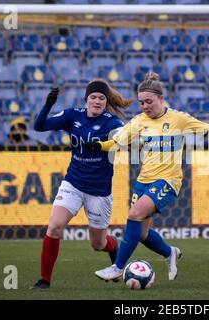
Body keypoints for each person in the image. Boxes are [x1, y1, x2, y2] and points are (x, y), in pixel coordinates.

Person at [89, 72, 209, 282]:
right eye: (141, 103)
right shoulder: (138, 122)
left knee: (134, 214)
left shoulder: (178, 119)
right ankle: (169, 253)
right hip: (143, 181)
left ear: (161, 99)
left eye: (149, 101)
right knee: (142, 233)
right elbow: (117, 142)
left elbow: (208, 131)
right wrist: (100, 145)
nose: (145, 106)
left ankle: (118, 267)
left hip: (168, 181)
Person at [30, 79, 132, 289]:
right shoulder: (72, 115)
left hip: (99, 190)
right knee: (54, 226)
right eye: (93, 97)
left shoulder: (112, 123)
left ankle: (112, 248)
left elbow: (123, 143)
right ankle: (44, 280)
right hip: (73, 183)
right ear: (86, 99)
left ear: (106, 102)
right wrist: (48, 105)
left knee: (98, 244)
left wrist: (102, 145)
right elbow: (39, 127)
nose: (97, 101)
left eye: (101, 98)